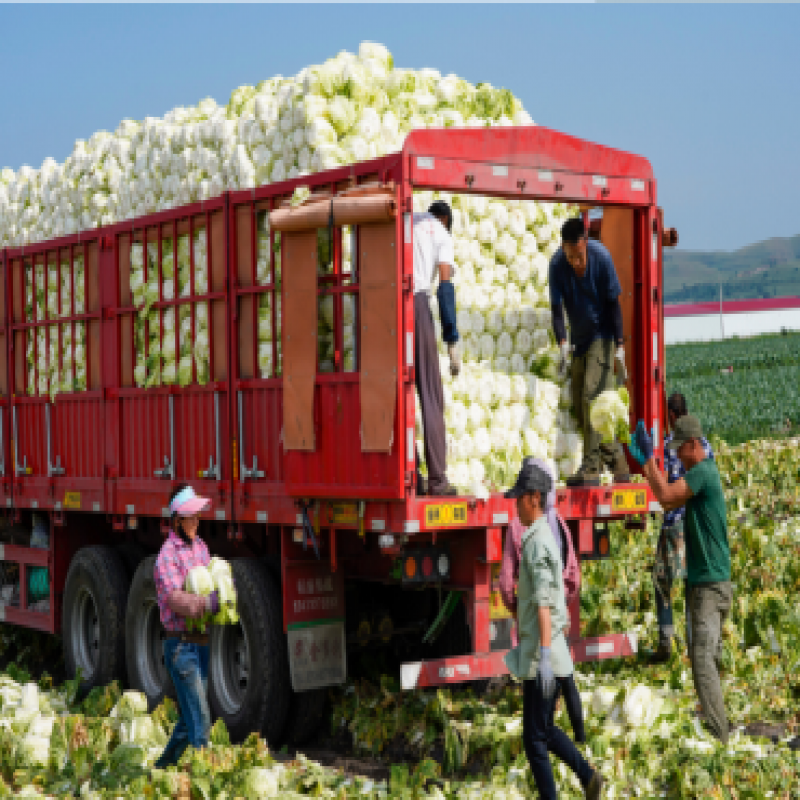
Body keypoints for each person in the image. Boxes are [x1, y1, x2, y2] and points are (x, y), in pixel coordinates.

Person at [503, 460, 605, 799]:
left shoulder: (537, 542)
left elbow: (544, 602)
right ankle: (588, 775)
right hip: (546, 649)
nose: (515, 504)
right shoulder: (543, 535)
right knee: (543, 729)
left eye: (519, 498)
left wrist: (544, 656)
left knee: (533, 740)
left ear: (534, 498)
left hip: (540, 654)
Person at [629, 415, 732, 743]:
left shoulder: (703, 471)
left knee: (702, 660)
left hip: (710, 585)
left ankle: (720, 737)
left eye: (680, 450)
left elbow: (666, 497)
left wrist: (647, 460)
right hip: (706, 582)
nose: (678, 457)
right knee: (707, 657)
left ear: (693, 445)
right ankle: (719, 724)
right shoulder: (700, 472)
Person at [499, 457, 585, 742]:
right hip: (558, 617)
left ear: (532, 497)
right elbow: (573, 573)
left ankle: (571, 752)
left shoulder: (520, 529)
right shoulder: (557, 522)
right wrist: (563, 604)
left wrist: (519, 610)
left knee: (538, 723)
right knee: (566, 678)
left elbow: (506, 583)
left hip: (540, 626)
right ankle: (581, 739)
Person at [549, 217, 629, 487]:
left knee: (592, 396)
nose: (576, 263)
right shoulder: (557, 265)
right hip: (579, 339)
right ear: (564, 248)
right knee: (580, 405)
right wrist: (562, 343)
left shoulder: (601, 257)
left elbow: (614, 303)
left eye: (579, 256)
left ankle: (591, 468)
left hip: (603, 335)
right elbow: (557, 310)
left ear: (586, 242)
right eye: (571, 257)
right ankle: (619, 464)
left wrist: (620, 345)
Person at [153, 483, 221, 768]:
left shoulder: (201, 548)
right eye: (190, 517)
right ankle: (204, 780)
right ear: (177, 520)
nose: (196, 521)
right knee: (201, 720)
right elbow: (174, 598)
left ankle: (160, 769)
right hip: (180, 647)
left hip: (201, 644)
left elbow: (211, 580)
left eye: (197, 516)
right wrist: (205, 604)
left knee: (189, 718)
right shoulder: (166, 556)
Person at [651, 393, 715, 663]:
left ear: (672, 417)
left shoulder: (669, 445)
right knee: (693, 585)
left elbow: (664, 490)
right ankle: (695, 644)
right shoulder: (705, 445)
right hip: (697, 524)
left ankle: (666, 639)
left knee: (662, 582)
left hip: (675, 523)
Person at [413, 200, 460, 496]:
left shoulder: (409, 219)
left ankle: (410, 473)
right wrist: (451, 339)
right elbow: (445, 289)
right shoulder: (441, 234)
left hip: (384, 303)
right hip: (416, 304)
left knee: (398, 395)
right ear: (444, 219)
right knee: (430, 393)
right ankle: (438, 481)